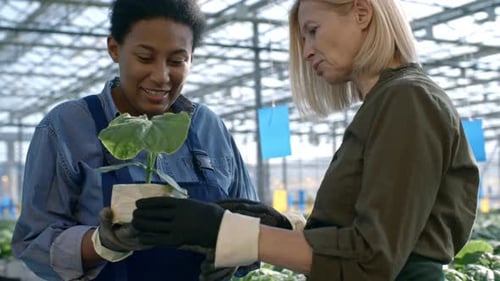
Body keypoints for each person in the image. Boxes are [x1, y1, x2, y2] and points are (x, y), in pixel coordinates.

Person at [129, 0, 480, 280]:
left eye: (312, 31)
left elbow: (372, 258)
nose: (307, 51)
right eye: (303, 39)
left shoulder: (407, 100)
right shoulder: (385, 103)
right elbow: (361, 234)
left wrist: (224, 230)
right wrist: (283, 226)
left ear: (361, 12)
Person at [11, 0, 259, 280]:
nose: (161, 76)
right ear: (114, 49)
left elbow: (250, 224)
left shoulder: (208, 127)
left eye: (177, 61)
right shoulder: (67, 127)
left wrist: (234, 254)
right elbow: (33, 244)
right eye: (144, 57)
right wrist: (99, 244)